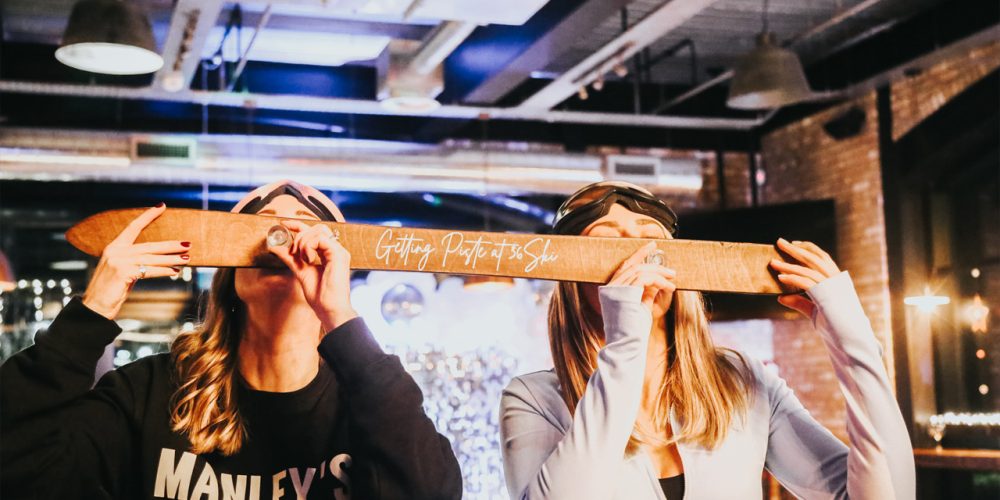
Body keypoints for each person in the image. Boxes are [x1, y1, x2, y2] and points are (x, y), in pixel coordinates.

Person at [1, 180, 463, 499]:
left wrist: (341, 316)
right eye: (257, 231)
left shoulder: (369, 403)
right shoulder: (149, 395)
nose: (281, 243)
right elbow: (19, 467)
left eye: (306, 231)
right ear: (229, 274)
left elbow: (431, 491)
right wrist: (92, 311)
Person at [499, 181, 914, 499]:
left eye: (650, 239)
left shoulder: (741, 381)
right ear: (574, 284)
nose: (636, 254)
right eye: (607, 241)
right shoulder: (533, 398)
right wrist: (627, 340)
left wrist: (852, 340)